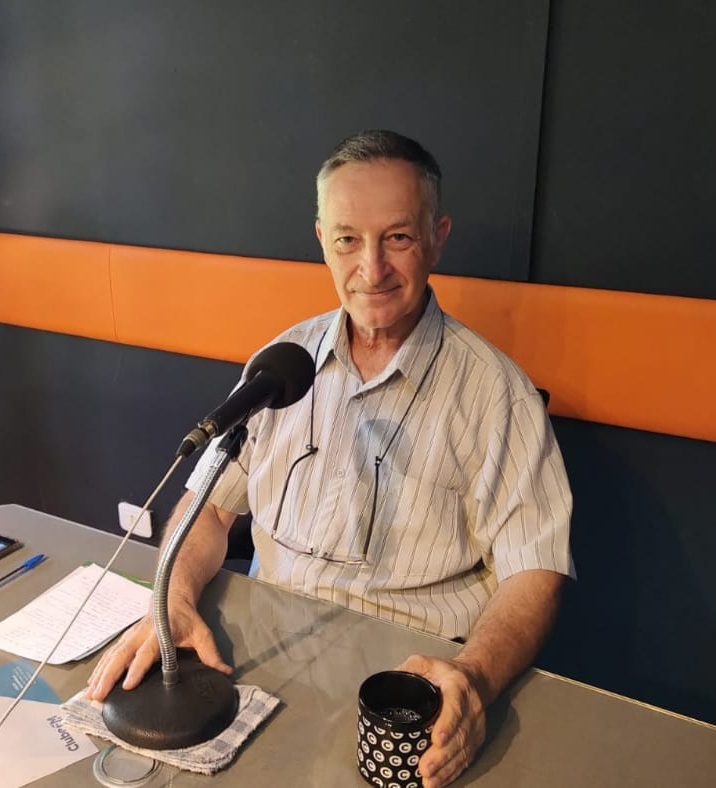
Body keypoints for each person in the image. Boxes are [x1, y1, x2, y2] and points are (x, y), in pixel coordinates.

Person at [87, 130, 574, 788]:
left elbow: (535, 571)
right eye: (348, 239)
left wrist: (475, 678)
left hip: (406, 694)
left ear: (437, 238)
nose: (371, 269)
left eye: (397, 237)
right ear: (322, 240)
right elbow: (209, 511)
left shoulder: (497, 394)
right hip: (255, 664)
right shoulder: (280, 365)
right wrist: (171, 601)